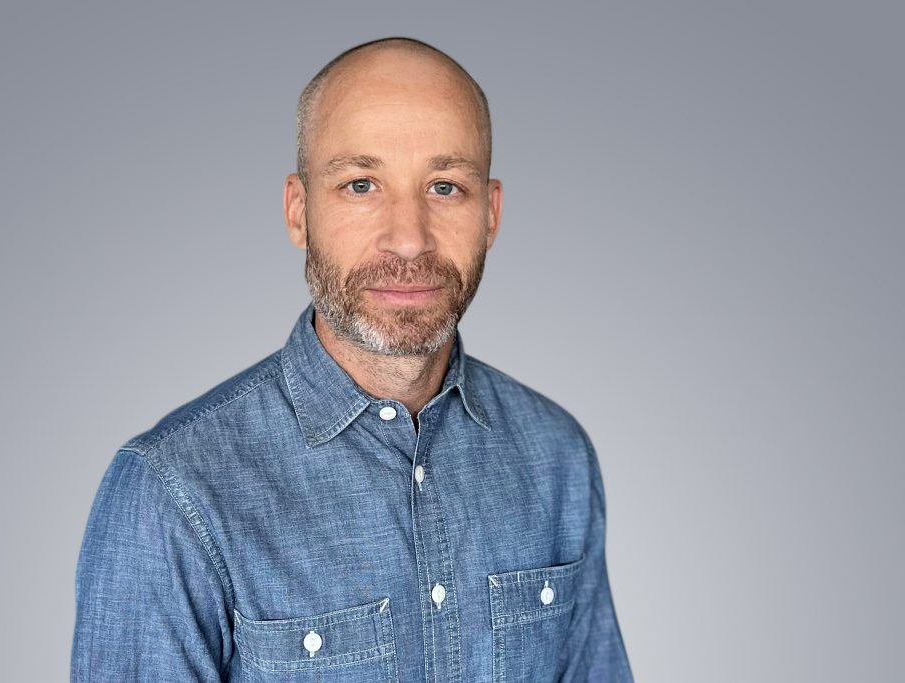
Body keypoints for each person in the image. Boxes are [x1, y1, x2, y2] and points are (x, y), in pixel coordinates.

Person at [71, 36, 633, 682]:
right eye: (361, 184)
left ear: (492, 215)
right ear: (298, 211)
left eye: (445, 187)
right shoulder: (172, 490)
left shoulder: (556, 455)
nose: (408, 237)